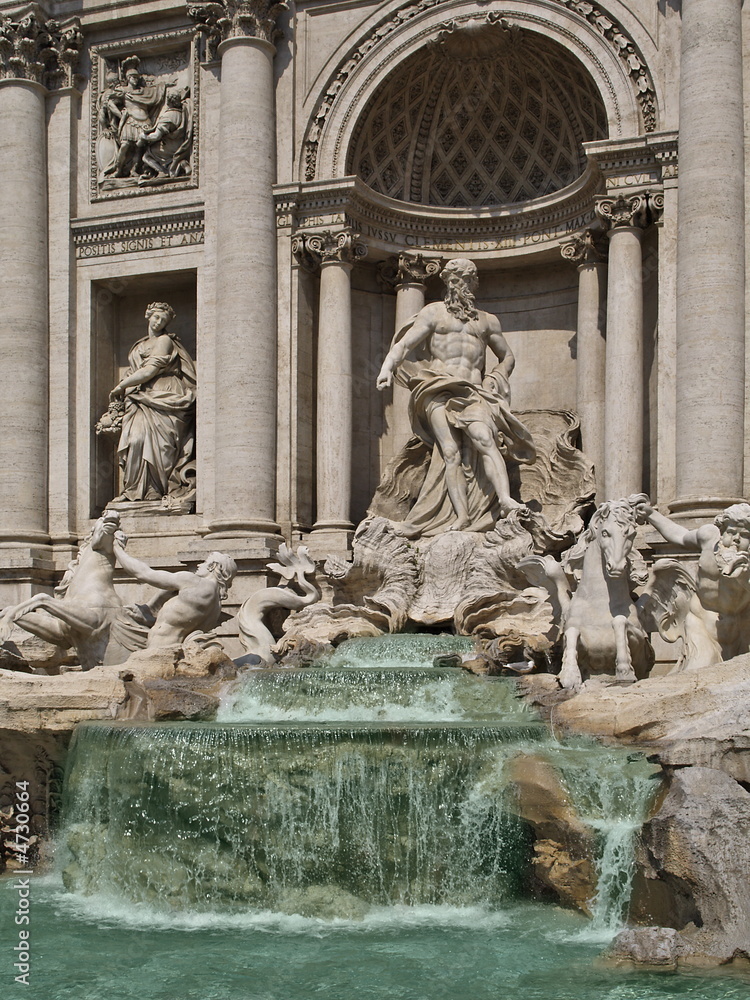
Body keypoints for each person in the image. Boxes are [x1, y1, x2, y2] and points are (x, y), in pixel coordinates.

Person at [376, 258, 535, 535]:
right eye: (454, 279)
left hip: (473, 391)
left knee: (486, 440)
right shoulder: (434, 313)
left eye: (466, 279)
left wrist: (494, 377)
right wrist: (386, 368)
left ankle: (506, 500)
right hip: (437, 386)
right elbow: (404, 344)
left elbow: (507, 356)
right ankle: (461, 516)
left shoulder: (487, 321)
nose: (459, 284)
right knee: (449, 452)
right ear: (447, 283)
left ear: (474, 284)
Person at [636, 500, 750, 668]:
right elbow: (679, 535)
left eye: (745, 535)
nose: (736, 539)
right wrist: (651, 515)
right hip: (701, 622)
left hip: (741, 629)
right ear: (722, 530)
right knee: (699, 672)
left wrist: (743, 577)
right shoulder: (709, 537)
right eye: (731, 532)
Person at [108, 301, 196, 503]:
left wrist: (121, 386)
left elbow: (149, 371)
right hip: (139, 398)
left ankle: (155, 490)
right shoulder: (139, 345)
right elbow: (136, 371)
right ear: (148, 315)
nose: (158, 322)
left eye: (163, 320)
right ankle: (133, 490)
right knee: (136, 440)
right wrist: (126, 389)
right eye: (156, 317)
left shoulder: (165, 340)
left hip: (163, 394)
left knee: (161, 446)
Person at [112, 541, 237, 648]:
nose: (199, 565)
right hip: (175, 651)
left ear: (212, 566)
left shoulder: (195, 582)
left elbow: (143, 573)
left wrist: (117, 549)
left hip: (159, 652)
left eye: (204, 562)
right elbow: (179, 622)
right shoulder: (216, 605)